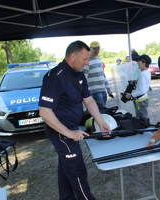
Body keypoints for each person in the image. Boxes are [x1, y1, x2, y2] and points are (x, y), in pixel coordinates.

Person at [39, 40, 111, 200]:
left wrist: (101, 122)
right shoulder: (54, 77)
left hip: (71, 127)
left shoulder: (78, 74)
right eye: (85, 59)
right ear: (73, 56)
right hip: (59, 131)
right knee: (76, 170)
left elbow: (89, 100)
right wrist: (69, 133)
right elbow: (44, 112)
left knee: (65, 167)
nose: (87, 63)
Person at [83, 41, 113, 109]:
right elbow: (84, 77)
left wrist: (108, 89)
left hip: (103, 91)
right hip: (94, 92)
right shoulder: (87, 61)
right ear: (90, 49)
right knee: (99, 111)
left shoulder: (99, 60)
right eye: (94, 49)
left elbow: (103, 75)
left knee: (104, 110)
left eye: (98, 49)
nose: (97, 51)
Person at [125, 54, 151, 123]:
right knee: (142, 117)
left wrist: (130, 95)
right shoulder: (146, 72)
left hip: (141, 101)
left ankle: (145, 131)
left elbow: (142, 90)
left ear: (144, 63)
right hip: (142, 99)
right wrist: (136, 82)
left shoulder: (143, 74)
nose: (137, 64)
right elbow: (144, 85)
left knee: (142, 119)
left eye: (139, 62)